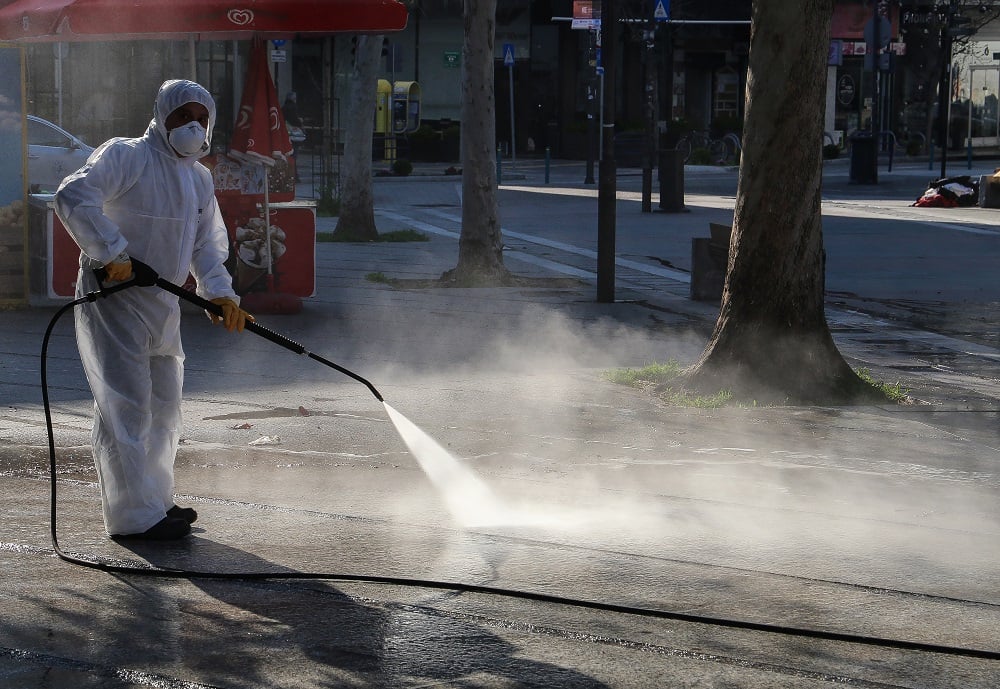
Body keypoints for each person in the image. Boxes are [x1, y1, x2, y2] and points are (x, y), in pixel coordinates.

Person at [54, 79, 254, 541]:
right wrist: (113, 253)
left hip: (163, 300)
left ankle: (156, 501)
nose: (191, 126)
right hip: (115, 297)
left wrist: (220, 293)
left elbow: (207, 245)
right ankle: (132, 517)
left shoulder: (199, 178)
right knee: (126, 406)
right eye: (181, 117)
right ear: (162, 117)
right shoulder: (127, 156)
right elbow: (72, 196)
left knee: (165, 406)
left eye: (200, 119)